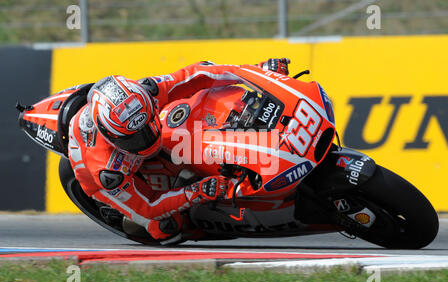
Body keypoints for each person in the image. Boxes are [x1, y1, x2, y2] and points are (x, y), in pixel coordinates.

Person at [67, 58, 290, 244]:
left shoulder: (147, 93)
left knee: (201, 100)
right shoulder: (107, 170)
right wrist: (197, 191)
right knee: (165, 230)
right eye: (134, 138)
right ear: (112, 138)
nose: (146, 138)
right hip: (99, 182)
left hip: (147, 125)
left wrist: (258, 72)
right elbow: (149, 207)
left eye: (147, 127)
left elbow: (199, 73)